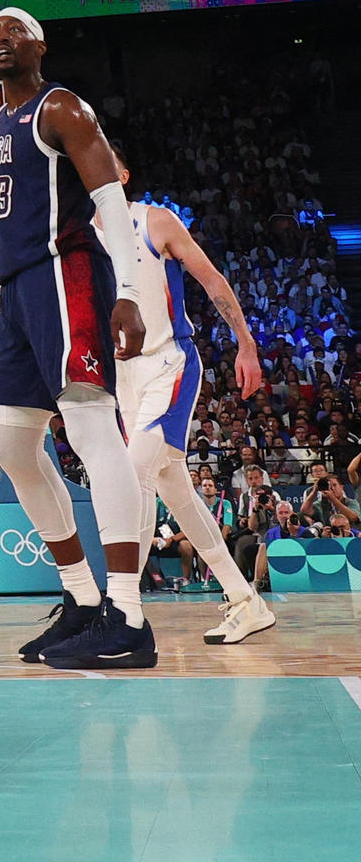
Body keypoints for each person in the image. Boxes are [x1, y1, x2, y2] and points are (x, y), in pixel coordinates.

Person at [0, 11, 154, 670]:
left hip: (69, 276)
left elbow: (110, 199)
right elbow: (8, 229)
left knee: (91, 428)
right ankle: (83, 598)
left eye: (12, 30)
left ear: (40, 45)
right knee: (11, 444)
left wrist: (129, 291)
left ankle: (128, 614)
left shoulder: (60, 107)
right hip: (19, 291)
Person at [113, 191, 279, 643]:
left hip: (168, 362)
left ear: (119, 175)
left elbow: (211, 279)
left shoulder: (154, 220)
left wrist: (245, 343)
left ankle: (121, 609)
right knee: (176, 491)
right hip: (121, 375)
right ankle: (246, 600)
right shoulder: (78, 232)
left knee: (135, 475)